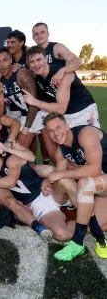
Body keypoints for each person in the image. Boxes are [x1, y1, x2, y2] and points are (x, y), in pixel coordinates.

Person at [0, 142, 73, 241]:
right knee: (62, 235)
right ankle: (76, 223)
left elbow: (10, 181)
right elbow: (12, 201)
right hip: (39, 206)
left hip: (49, 190)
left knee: (66, 181)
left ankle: (86, 214)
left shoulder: (11, 159)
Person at [43, 112, 107, 261]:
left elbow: (94, 170)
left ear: (68, 125)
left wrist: (61, 175)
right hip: (102, 189)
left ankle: (78, 242)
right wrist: (47, 181)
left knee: (85, 183)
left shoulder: (86, 134)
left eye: (58, 127)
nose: (55, 133)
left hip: (98, 182)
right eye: (50, 131)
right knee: (86, 223)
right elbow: (58, 173)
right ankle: (100, 238)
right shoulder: (62, 150)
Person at [24, 45, 100, 159]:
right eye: (32, 62)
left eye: (39, 60)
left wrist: (35, 102)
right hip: (67, 115)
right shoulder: (38, 78)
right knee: (72, 150)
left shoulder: (61, 74)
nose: (36, 64)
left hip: (83, 111)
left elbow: (61, 108)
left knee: (91, 146)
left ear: (45, 59)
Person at [0, 47, 38, 149]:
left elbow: (34, 105)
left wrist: (25, 131)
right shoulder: (0, 83)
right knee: (22, 150)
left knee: (20, 151)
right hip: (25, 115)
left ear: (11, 60)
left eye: (5, 60)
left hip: (39, 112)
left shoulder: (21, 73)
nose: (2, 65)